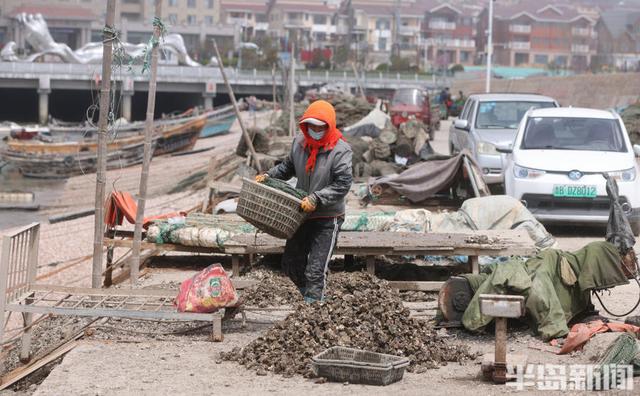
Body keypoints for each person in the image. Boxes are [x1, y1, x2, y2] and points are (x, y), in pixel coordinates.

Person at [255, 100, 353, 303]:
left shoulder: (340, 150)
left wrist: (317, 198)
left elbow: (343, 184)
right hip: (301, 213)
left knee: (316, 269)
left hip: (328, 216)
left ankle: (314, 307)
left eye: (320, 127)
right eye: (311, 126)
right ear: (305, 125)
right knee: (291, 263)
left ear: (329, 126)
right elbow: (287, 167)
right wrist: (268, 176)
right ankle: (309, 297)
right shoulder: (300, 143)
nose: (315, 130)